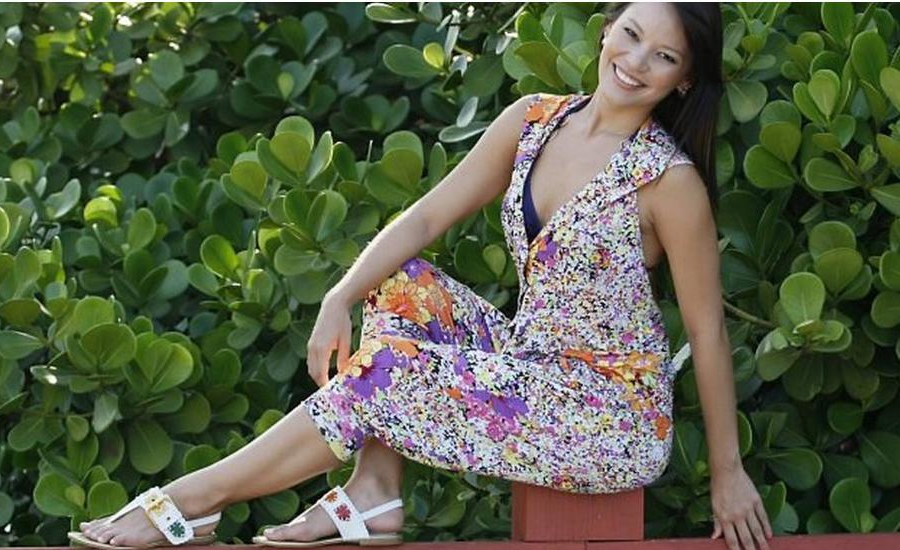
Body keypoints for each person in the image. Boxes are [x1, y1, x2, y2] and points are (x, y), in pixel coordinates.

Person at [72, 3, 773, 550]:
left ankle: (192, 500)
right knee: (399, 281)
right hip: (530, 366)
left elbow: (707, 332)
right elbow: (424, 217)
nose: (636, 61)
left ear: (683, 79)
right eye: (631, 34)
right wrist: (340, 294)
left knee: (393, 369)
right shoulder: (534, 121)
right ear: (605, 28)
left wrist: (727, 472)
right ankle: (373, 489)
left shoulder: (667, 181)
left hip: (608, 415)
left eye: (663, 56)